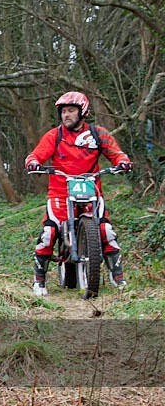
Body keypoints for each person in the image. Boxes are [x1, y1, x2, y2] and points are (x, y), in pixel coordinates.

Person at [24, 91, 133, 297]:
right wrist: (33, 161)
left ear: (82, 112)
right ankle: (39, 280)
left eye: (71, 111)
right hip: (60, 193)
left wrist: (123, 162)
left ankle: (117, 276)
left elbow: (116, 153)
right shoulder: (54, 135)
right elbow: (38, 153)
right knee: (49, 234)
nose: (66, 115)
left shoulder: (98, 133)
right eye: (64, 112)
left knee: (106, 230)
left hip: (91, 190)